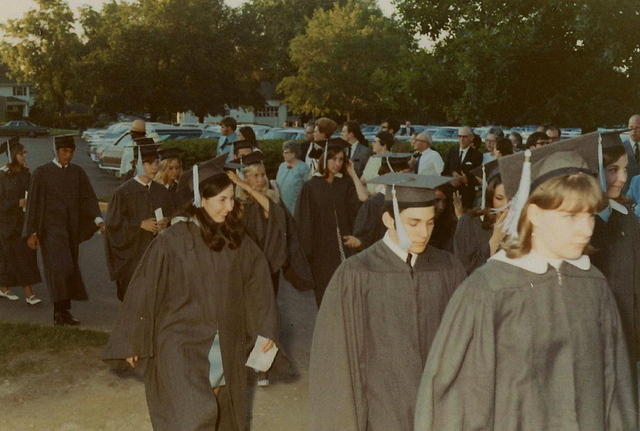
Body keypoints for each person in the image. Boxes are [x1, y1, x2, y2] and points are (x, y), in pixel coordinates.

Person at [414, 135, 638, 430]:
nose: (586, 229)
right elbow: (455, 404)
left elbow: (616, 392)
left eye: (590, 216)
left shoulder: (593, 284)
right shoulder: (489, 290)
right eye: (570, 217)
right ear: (534, 214)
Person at [103, 154, 279, 431]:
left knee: (219, 405)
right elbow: (144, 291)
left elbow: (259, 286)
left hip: (225, 342)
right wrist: (132, 340)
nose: (229, 207)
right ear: (200, 200)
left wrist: (266, 328)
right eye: (222, 200)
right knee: (191, 415)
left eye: (232, 198)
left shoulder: (237, 240)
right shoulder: (172, 241)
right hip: (180, 341)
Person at [310, 172, 466, 431]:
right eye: (413, 223)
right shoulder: (357, 273)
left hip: (436, 409)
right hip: (379, 410)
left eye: (430, 223)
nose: (423, 233)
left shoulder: (448, 268)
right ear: (388, 219)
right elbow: (336, 362)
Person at [23, 135, 104, 325]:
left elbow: (88, 198)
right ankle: (59, 312)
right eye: (64, 151)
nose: (68, 155)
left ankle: (63, 311)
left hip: (71, 230)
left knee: (68, 271)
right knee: (60, 269)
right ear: (56, 151)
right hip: (50, 230)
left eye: (71, 152)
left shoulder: (77, 173)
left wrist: (98, 219)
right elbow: (33, 204)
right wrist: (32, 232)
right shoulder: (41, 173)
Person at [591, 132, 640, 395]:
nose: (622, 178)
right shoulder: (579, 224)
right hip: (593, 338)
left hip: (627, 333)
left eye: (625, 169)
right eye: (612, 170)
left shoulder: (628, 219)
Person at [295, 138, 363, 305]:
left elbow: (362, 202)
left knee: (346, 292)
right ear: (323, 159)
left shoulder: (345, 184)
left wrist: (353, 173)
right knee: (325, 293)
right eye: (333, 159)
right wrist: (307, 252)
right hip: (321, 249)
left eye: (341, 159)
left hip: (344, 245)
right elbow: (304, 221)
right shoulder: (311, 186)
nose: (337, 163)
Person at [105, 140, 175, 301]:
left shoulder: (161, 191)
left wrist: (166, 222)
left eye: (156, 162)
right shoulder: (122, 193)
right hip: (132, 256)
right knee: (133, 297)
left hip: (157, 253)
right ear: (136, 163)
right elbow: (113, 225)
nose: (154, 167)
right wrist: (140, 224)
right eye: (148, 163)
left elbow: (171, 215)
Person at [0, 138, 42, 304]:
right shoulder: (2, 176)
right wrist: (16, 203)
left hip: (24, 223)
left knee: (15, 257)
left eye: (25, 152)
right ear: (13, 155)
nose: (25, 155)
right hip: (6, 224)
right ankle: (29, 294)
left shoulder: (26, 174)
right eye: (22, 153)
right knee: (19, 257)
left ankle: (3, 287)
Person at [453, 160, 508, 274]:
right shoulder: (469, 222)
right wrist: (496, 238)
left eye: (512, 199)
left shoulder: (525, 224)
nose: (505, 206)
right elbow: (464, 270)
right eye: (499, 198)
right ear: (490, 196)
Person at [350, 153, 413, 251]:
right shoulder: (373, 204)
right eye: (403, 174)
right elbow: (362, 238)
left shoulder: (411, 200)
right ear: (389, 175)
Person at [441, 126, 483, 209]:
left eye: (465, 137)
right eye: (459, 136)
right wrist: (450, 180)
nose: (462, 139)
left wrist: (464, 179)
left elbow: (477, 178)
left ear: (471, 138)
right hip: (450, 193)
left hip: (467, 196)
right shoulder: (451, 152)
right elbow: (444, 172)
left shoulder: (477, 155)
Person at [276, 140, 309, 214]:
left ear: (294, 153)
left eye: (286, 152)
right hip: (281, 206)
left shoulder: (303, 168)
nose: (284, 155)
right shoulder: (282, 166)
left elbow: (308, 189)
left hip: (295, 207)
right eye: (283, 152)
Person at [623, 114, 640, 181]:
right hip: (626, 190)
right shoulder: (621, 148)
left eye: (637, 127)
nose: (633, 131)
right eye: (631, 127)